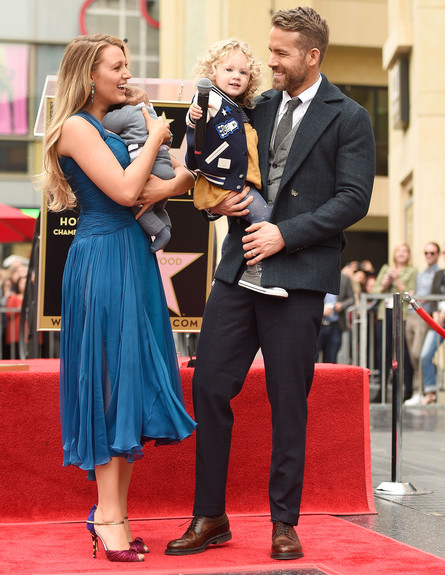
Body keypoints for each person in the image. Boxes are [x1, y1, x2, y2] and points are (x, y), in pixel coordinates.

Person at [166, 6, 375, 560]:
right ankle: (210, 515)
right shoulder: (251, 106)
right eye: (269, 50)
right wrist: (221, 203)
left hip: (298, 276)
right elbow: (219, 165)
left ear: (312, 55)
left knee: (289, 402)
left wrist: (286, 235)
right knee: (209, 386)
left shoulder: (349, 116)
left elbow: (354, 198)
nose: (270, 61)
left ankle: (284, 521)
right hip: (238, 273)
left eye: (281, 53)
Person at [39, 34, 196, 563]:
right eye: (118, 66)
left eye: (127, 66)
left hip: (128, 256)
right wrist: (155, 136)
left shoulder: (102, 127)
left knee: (127, 381)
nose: (127, 75)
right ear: (89, 75)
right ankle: (107, 516)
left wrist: (181, 173)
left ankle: (116, 514)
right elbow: (129, 193)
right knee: (110, 381)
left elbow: (148, 190)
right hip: (104, 260)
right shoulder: (78, 128)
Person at [185, 38, 287, 298]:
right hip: (227, 184)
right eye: (228, 70)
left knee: (264, 217)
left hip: (235, 183)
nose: (236, 76)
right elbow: (196, 115)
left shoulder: (242, 109)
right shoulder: (210, 100)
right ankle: (257, 272)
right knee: (265, 219)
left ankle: (262, 271)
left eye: (243, 72)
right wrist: (194, 113)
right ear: (212, 72)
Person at [102, 85, 174, 253]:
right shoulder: (156, 118)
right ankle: (167, 227)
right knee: (158, 208)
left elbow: (105, 123)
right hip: (167, 170)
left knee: (140, 209)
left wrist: (111, 111)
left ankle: (162, 233)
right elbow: (169, 139)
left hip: (150, 172)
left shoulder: (130, 111)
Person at [372, 242, 417, 402]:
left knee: (404, 352)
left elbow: (410, 292)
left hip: (402, 314)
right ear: (394, 254)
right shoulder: (385, 268)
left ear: (409, 255)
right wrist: (385, 283)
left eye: (405, 251)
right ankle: (382, 391)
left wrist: (396, 279)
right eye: (399, 251)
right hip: (385, 313)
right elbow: (375, 291)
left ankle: (407, 390)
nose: (401, 254)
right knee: (382, 352)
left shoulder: (412, 271)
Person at [404, 242, 442, 404]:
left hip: (431, 319)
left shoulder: (440, 273)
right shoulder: (421, 274)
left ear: (438, 255)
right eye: (426, 252)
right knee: (417, 354)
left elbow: (436, 298)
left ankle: (424, 389)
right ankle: (428, 389)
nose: (428, 255)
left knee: (420, 353)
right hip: (417, 315)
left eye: (432, 253)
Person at [418, 256, 445, 405]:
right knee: (425, 355)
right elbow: (434, 297)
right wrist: (435, 314)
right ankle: (430, 391)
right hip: (438, 322)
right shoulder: (439, 274)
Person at [316, 272, 355, 363]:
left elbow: (351, 298)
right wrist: (321, 310)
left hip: (336, 325)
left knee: (332, 358)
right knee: (314, 358)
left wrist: (342, 305)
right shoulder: (316, 275)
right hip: (318, 324)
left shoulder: (344, 278)